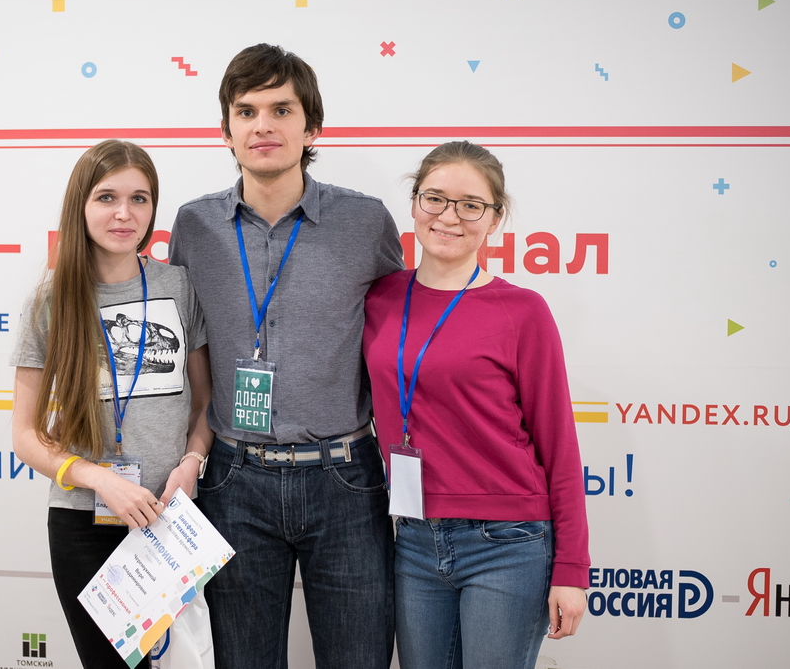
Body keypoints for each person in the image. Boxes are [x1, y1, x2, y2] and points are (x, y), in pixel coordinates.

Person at [168, 43, 404, 669]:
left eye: (281, 110)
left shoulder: (366, 222)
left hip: (345, 479)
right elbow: (185, 351)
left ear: (311, 128)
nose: (263, 126)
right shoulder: (193, 227)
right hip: (232, 479)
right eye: (246, 112)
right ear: (226, 131)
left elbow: (402, 335)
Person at [362, 141, 589, 669]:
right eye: (435, 199)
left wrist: (572, 569)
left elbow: (559, 446)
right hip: (414, 538)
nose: (449, 217)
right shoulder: (380, 298)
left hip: (507, 543)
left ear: (495, 218)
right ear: (415, 204)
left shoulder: (522, 311)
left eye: (470, 205)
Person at [10, 139, 212, 669]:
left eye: (139, 199)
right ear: (80, 205)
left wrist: (191, 463)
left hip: (171, 518)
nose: (125, 214)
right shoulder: (51, 299)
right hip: (83, 524)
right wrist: (101, 480)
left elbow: (205, 402)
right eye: (107, 198)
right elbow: (25, 436)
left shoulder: (178, 285)